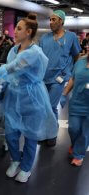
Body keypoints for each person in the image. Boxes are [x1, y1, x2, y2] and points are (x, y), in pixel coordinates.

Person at [0, 13, 57, 183]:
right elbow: (8, 71)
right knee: (11, 133)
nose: (15, 31)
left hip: (32, 97)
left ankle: (26, 168)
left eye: (19, 28)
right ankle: (15, 159)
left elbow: (12, 67)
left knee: (30, 135)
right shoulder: (13, 49)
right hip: (14, 95)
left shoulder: (33, 53)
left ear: (29, 32)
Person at [39, 10, 81, 147]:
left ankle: (52, 134)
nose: (51, 22)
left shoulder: (71, 37)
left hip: (59, 78)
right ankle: (46, 132)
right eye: (50, 20)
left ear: (61, 21)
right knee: (44, 107)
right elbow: (38, 58)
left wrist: (73, 73)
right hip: (43, 78)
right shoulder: (44, 38)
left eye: (54, 20)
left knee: (51, 106)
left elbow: (76, 56)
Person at [60, 48, 89, 166]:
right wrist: (64, 93)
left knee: (85, 132)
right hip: (76, 103)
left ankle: (78, 154)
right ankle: (75, 145)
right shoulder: (80, 62)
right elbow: (72, 79)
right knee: (73, 128)